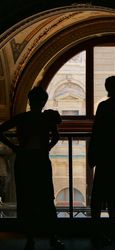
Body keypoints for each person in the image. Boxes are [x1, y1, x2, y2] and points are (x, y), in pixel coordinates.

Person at [0, 86, 64, 250]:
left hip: (24, 160)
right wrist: (47, 147)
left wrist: (15, 148)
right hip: (41, 160)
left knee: (27, 200)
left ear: (30, 101)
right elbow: (56, 136)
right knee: (47, 199)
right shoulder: (47, 118)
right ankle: (52, 237)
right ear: (43, 102)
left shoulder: (23, 118)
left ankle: (30, 239)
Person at [88, 76, 115, 247]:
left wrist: (93, 154)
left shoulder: (103, 106)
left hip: (105, 151)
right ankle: (112, 226)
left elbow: (97, 130)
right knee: (114, 191)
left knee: (101, 191)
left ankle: (97, 230)